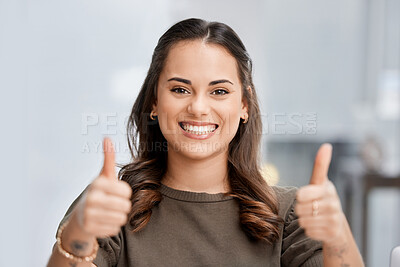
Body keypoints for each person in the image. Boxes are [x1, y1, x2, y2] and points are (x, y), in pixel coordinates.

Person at [47, 18, 364, 267]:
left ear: (244, 106)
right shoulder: (112, 207)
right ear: (155, 102)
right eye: (180, 89)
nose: (198, 107)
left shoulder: (289, 214)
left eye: (219, 91)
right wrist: (81, 231)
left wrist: (338, 236)